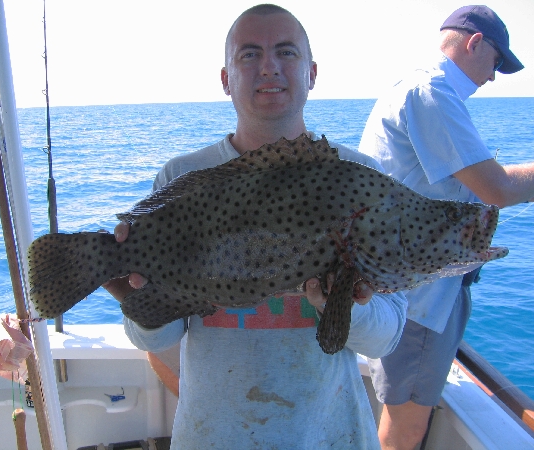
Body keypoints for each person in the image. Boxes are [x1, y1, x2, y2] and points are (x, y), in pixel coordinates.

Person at [105, 4, 407, 448]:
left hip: (329, 435)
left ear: (312, 72)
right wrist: (137, 301)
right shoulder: (181, 179)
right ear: (226, 78)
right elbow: (160, 335)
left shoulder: (357, 176)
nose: (269, 67)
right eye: (249, 55)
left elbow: (387, 336)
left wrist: (341, 303)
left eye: (286, 52)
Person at [358, 5, 533, 450]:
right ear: (475, 42)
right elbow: (495, 188)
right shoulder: (431, 91)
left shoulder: (415, 87)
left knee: (403, 414)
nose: (493, 77)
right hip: (420, 298)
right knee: (405, 429)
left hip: (406, 286)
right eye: (496, 63)